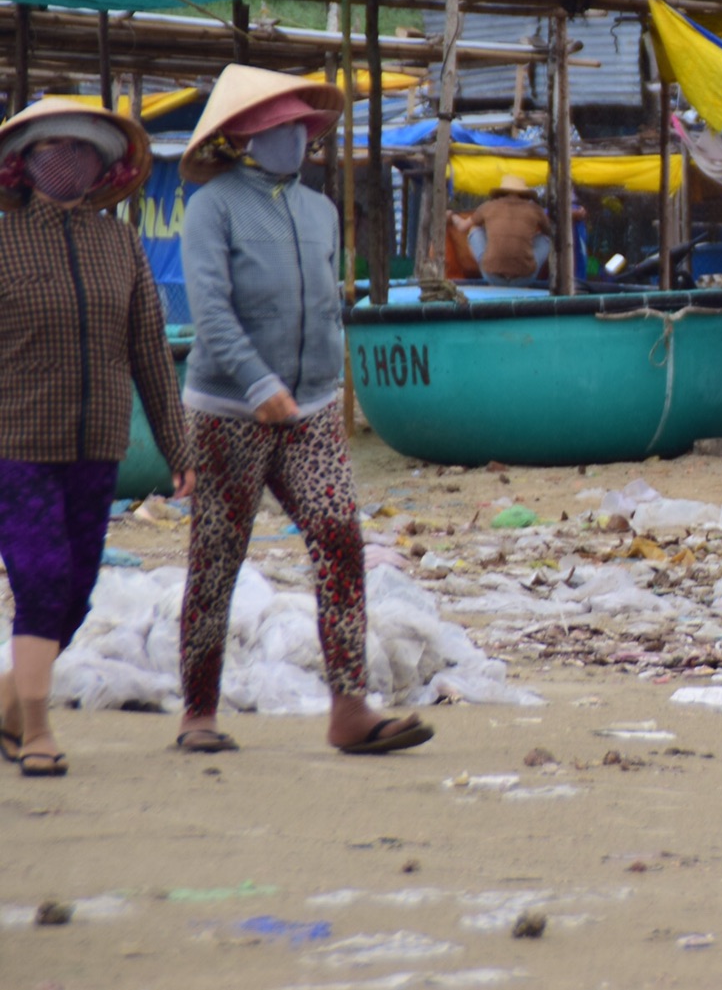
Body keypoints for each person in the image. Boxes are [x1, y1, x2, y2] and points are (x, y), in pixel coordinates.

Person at [175, 64, 432, 756]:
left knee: (340, 538)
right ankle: (197, 710)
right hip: (231, 410)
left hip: (311, 408)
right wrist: (259, 384)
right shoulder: (213, 207)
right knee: (217, 557)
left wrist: (321, 378)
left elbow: (322, 304)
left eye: (300, 126)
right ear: (242, 136)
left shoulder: (318, 209)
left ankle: (349, 706)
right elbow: (211, 312)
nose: (294, 137)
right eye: (279, 126)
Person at [0, 98, 193, 778]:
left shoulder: (121, 245)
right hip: (17, 441)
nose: (71, 160)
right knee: (42, 576)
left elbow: (150, 350)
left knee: (76, 589)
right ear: (22, 164)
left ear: (104, 168)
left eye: (85, 150)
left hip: (98, 442)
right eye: (56, 148)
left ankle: (8, 704)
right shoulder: (3, 239)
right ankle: (39, 730)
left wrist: (179, 449)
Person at [461, 175, 553, 285]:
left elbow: (462, 227)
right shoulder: (535, 209)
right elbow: (551, 232)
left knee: (474, 230)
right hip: (524, 279)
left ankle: (485, 264)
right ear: (523, 193)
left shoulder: (488, 206)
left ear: (501, 192)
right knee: (546, 238)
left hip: (492, 277)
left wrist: (451, 215)